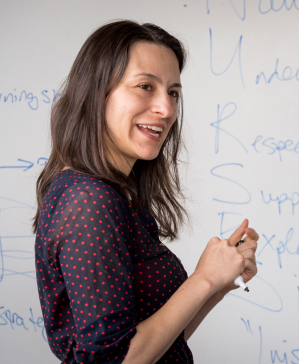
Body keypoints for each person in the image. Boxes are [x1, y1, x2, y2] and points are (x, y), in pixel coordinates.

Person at [33, 20, 258, 364]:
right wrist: (204, 277)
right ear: (97, 92)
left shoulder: (117, 196)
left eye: (172, 93)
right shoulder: (88, 201)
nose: (166, 110)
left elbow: (160, 345)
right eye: (144, 86)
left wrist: (220, 284)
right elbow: (117, 360)